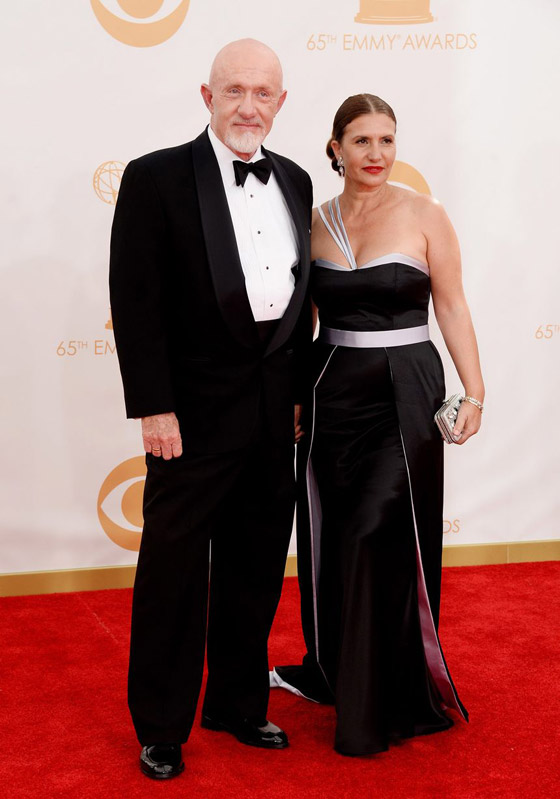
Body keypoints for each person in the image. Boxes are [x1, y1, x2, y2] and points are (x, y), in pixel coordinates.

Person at [109, 39, 312, 780]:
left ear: (280, 103)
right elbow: (135, 301)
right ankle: (162, 724)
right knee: (173, 571)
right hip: (188, 417)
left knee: (254, 565)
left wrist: (296, 397)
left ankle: (236, 700)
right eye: (234, 91)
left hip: (272, 414)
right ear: (208, 96)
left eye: (262, 93)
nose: (248, 106)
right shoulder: (156, 177)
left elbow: (298, 301)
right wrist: (153, 407)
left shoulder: (295, 180)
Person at [272, 94, 484, 756]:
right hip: (331, 394)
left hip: (406, 391)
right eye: (362, 141)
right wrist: (293, 395)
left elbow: (452, 305)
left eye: (387, 140)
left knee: (373, 529)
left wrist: (475, 392)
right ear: (335, 148)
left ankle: (380, 700)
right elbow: (303, 323)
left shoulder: (426, 214)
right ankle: (338, 669)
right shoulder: (312, 222)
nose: (377, 154)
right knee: (335, 534)